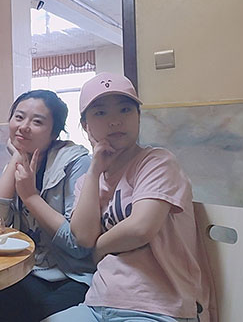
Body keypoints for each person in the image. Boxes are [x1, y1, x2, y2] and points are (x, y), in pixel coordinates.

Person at [46, 72, 214, 322]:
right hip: (98, 302)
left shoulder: (156, 162)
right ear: (86, 126)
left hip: (161, 307)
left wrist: (99, 248)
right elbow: (83, 236)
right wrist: (94, 171)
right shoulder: (88, 181)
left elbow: (140, 228)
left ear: (138, 117)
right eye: (100, 113)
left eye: (125, 110)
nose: (115, 121)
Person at [0, 90, 93, 321]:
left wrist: (30, 196)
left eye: (37, 122)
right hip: (27, 270)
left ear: (54, 133)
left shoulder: (76, 163)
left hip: (72, 275)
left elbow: (77, 244)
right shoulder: (19, 161)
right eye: (19, 117)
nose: (24, 127)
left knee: (29, 314)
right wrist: (16, 157)